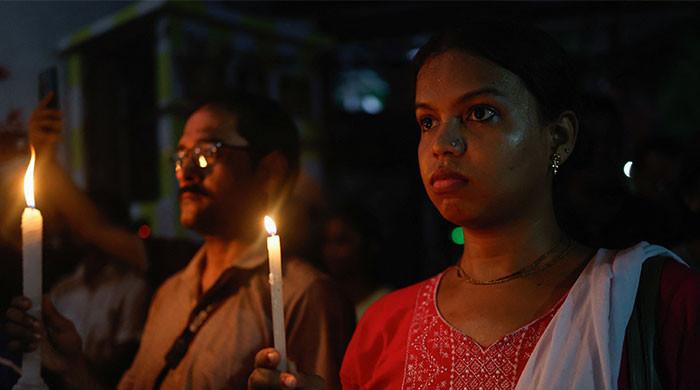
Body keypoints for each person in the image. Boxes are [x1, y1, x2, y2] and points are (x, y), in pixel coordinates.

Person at [250, 21, 700, 389]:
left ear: (558, 137)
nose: (443, 143)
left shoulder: (656, 301)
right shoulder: (385, 327)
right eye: (427, 121)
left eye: (480, 113)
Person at [6, 92, 356, 389]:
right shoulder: (171, 291)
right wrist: (71, 366)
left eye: (205, 153)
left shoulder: (304, 296)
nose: (185, 173)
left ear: (269, 171)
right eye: (180, 157)